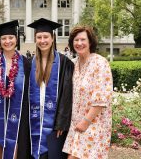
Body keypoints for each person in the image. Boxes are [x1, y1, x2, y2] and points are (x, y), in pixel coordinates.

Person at [0, 20, 31, 159]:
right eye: (4, 38)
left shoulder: (26, 63)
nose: (7, 41)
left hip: (18, 113)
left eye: (11, 38)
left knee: (15, 147)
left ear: (16, 39)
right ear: (0, 40)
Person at [63, 26, 113, 159]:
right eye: (76, 40)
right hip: (76, 125)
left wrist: (85, 122)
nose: (79, 43)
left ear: (90, 42)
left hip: (94, 124)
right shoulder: (73, 64)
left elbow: (102, 98)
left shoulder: (100, 63)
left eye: (83, 39)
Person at [27, 18, 74, 159]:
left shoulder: (64, 63)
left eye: (46, 37)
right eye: (39, 37)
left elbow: (67, 94)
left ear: (52, 38)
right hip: (34, 120)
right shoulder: (30, 63)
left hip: (54, 123)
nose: (43, 40)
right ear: (35, 39)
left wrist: (61, 121)